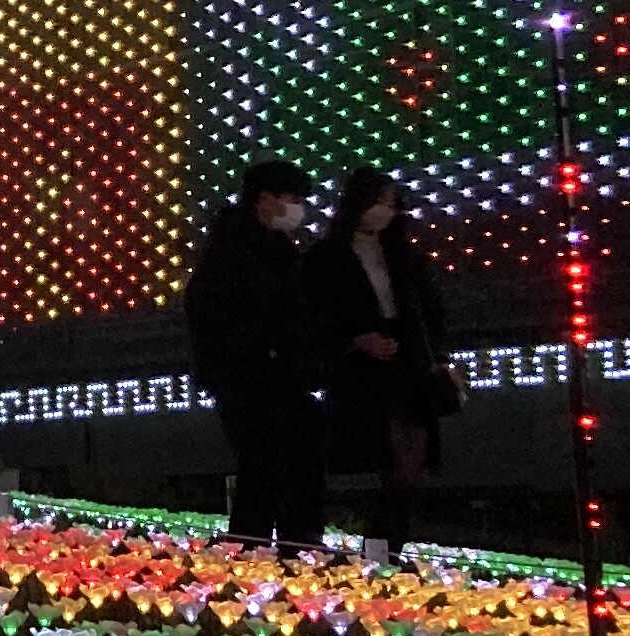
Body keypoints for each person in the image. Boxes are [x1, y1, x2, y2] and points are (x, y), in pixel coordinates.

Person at [310, 169, 455, 560]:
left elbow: (431, 310)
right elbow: (315, 316)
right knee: (388, 459)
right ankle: (378, 553)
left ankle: (386, 550)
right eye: (377, 203)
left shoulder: (403, 255)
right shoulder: (328, 256)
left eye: (391, 205)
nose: (384, 213)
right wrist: (354, 341)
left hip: (410, 362)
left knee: (412, 465)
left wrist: (439, 358)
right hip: (364, 370)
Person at [183, 160, 323, 551]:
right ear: (265, 200)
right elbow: (211, 313)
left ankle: (292, 548)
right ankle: (257, 549)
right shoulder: (232, 252)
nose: (297, 208)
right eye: (292, 198)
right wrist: (260, 349)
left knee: (290, 464)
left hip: (282, 377)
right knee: (264, 466)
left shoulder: (279, 251)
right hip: (249, 379)